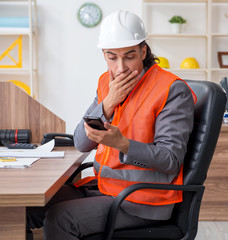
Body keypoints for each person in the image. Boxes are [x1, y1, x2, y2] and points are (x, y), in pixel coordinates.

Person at [26, 10, 196, 240]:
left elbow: (170, 160)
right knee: (28, 206)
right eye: (112, 57)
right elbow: (81, 142)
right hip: (104, 187)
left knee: (61, 218)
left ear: (143, 51)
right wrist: (107, 104)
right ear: (104, 54)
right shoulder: (106, 83)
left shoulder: (172, 90)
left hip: (142, 200)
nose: (120, 68)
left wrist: (124, 145)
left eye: (129, 56)